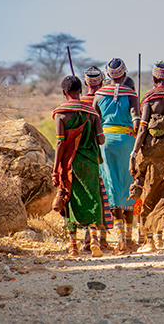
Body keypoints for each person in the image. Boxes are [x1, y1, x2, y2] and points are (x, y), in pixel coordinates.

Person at [129, 62, 164, 253]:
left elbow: (143, 127)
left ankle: (149, 241)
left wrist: (134, 152)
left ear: (154, 79)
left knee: (149, 194)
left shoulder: (149, 99)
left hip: (151, 152)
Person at [52, 76, 105, 257]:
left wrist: (55, 168)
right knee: (92, 197)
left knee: (70, 198)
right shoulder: (92, 112)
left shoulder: (60, 114)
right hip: (90, 162)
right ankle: (95, 240)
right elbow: (101, 139)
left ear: (64, 93)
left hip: (70, 163)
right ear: (80, 91)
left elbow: (60, 143)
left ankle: (73, 246)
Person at [93, 58, 140, 254]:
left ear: (108, 75)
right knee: (128, 186)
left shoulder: (98, 94)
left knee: (111, 186)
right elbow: (137, 122)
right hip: (127, 141)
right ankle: (129, 241)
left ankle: (120, 241)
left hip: (106, 143)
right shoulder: (131, 94)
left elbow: (94, 122)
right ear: (124, 73)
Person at [80, 65, 113, 251]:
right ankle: (101, 239)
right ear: (101, 81)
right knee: (104, 194)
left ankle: (87, 239)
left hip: (83, 154)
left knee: (89, 193)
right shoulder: (105, 98)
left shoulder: (79, 102)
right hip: (103, 150)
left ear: (86, 82)